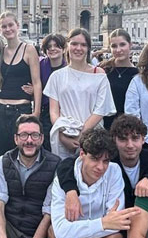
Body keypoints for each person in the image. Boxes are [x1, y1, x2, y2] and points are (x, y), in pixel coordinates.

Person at [42, 129, 141, 238]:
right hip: (81, 235)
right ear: (82, 155)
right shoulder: (63, 179)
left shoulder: (114, 172)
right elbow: (61, 230)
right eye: (94, 159)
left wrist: (77, 236)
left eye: (105, 161)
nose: (100, 167)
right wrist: (101, 223)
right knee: (53, 233)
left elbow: (116, 223)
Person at [44, 28, 116, 159]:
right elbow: (54, 112)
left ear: (88, 48)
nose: (78, 48)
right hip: (66, 136)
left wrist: (82, 135)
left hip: (93, 137)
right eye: (74, 44)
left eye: (83, 45)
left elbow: (100, 110)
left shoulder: (99, 74)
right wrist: (61, 134)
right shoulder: (56, 76)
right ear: (67, 46)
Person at [0, 12, 42, 158]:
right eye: (4, 26)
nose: (8, 29)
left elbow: (37, 82)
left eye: (10, 25)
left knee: (22, 155)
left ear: (17, 26)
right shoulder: (0, 51)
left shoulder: (29, 49)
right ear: (0, 30)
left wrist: (36, 113)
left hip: (21, 110)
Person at [101, 29, 138, 130]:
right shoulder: (103, 71)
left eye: (122, 44)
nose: (118, 50)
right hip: (105, 126)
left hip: (128, 129)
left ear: (130, 45)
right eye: (114, 46)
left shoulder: (138, 75)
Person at [36, 33, 67, 151]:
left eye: (56, 46)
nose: (52, 49)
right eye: (49, 47)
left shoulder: (69, 67)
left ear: (63, 49)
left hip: (64, 111)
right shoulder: (39, 65)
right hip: (45, 111)